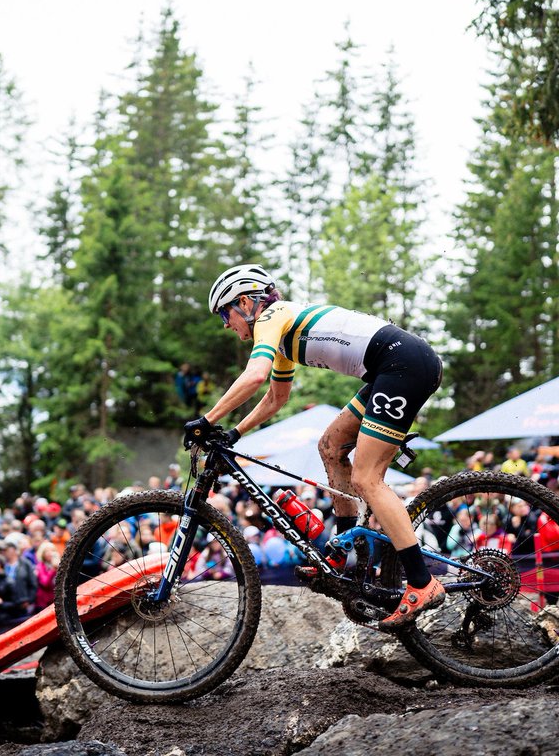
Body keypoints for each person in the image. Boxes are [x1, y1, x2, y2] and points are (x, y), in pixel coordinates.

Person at [186, 264, 445, 627]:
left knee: (367, 478)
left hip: (403, 366)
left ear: (245, 302)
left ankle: (422, 582)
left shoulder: (271, 316)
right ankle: (341, 551)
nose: (225, 325)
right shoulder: (279, 334)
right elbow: (276, 398)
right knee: (330, 446)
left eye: (224, 314)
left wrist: (208, 419)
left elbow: (255, 374)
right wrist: (236, 432)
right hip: (394, 366)